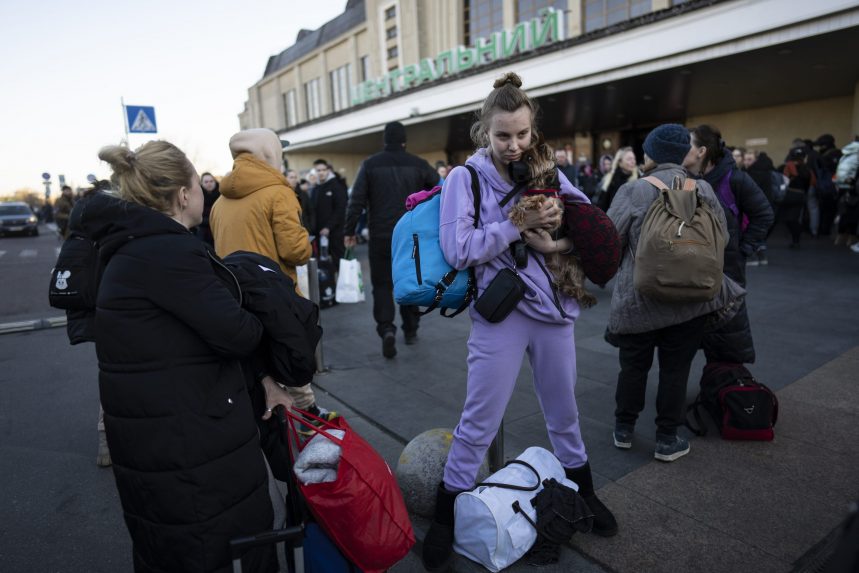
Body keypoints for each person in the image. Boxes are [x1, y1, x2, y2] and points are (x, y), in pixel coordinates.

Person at [421, 72, 617, 572]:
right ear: (484, 130)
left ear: (533, 130)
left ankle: (586, 492)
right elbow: (457, 248)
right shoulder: (464, 178)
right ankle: (445, 516)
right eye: (503, 135)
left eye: (522, 134)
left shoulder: (546, 167)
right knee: (479, 420)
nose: (514, 145)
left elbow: (587, 223)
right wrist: (514, 225)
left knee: (564, 412)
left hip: (554, 310)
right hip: (502, 313)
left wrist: (557, 242)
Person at [91, 140, 294, 572]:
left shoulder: (129, 249)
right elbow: (238, 334)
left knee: (169, 548)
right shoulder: (169, 254)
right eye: (198, 184)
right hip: (191, 445)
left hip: (156, 437)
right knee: (223, 550)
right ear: (184, 194)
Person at [606, 123, 730, 463]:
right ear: (682, 154)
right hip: (689, 301)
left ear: (650, 154)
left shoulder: (634, 191)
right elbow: (724, 239)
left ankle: (624, 429)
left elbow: (609, 242)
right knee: (676, 369)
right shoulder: (702, 189)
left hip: (639, 298)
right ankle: (667, 438)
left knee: (633, 367)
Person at [211, 129, 333, 425]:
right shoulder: (278, 193)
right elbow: (296, 252)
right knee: (292, 366)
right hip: (277, 297)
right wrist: (305, 238)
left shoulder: (219, 202)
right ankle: (307, 424)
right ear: (269, 154)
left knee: (259, 368)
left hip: (236, 299)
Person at [343, 121, 440, 359]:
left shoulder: (370, 165)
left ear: (385, 141)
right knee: (409, 282)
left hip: (381, 236)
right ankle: (410, 329)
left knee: (383, 285)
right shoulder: (419, 165)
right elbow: (441, 190)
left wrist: (349, 230)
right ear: (404, 141)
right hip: (410, 237)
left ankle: (386, 328)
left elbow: (355, 201)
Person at [684, 125, 773, 366]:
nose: (682, 149)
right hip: (689, 274)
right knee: (684, 345)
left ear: (701, 151)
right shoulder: (685, 180)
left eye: (687, 143)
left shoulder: (734, 178)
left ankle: (721, 391)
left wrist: (743, 249)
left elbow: (764, 214)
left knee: (725, 341)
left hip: (727, 274)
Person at [311, 158, 348, 268]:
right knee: (324, 265)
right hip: (319, 235)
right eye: (318, 170)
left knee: (339, 263)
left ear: (328, 170)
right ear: (315, 172)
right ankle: (329, 285)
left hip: (335, 233)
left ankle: (342, 285)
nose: (321, 172)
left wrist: (328, 227)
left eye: (323, 170)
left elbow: (341, 209)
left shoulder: (336, 186)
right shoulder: (315, 188)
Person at [781, 144, 816, 248]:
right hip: (802, 194)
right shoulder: (807, 168)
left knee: (788, 218)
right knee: (796, 218)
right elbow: (813, 182)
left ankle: (794, 239)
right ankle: (796, 241)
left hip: (790, 194)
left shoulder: (788, 165)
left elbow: (784, 180)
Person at [595, 147, 639, 211]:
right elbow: (602, 205)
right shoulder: (610, 180)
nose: (633, 162)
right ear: (620, 162)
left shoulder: (639, 179)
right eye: (629, 159)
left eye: (634, 159)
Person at [195, 172, 220, 246]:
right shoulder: (197, 197)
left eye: (211, 181)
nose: (209, 184)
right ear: (201, 184)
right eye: (206, 182)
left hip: (218, 229)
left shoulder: (222, 195)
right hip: (202, 231)